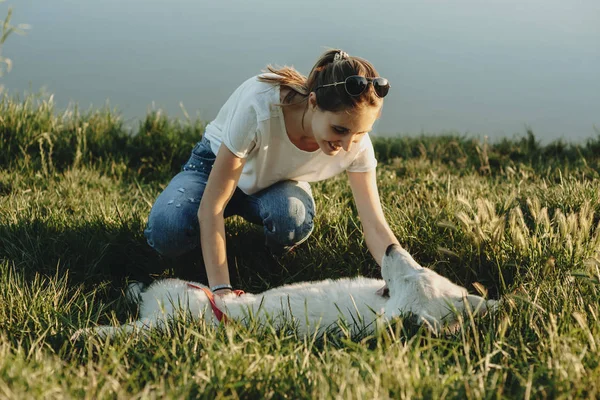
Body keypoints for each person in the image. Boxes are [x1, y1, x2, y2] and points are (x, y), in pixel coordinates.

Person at [144, 49, 408, 297]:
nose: (349, 145)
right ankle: (202, 250)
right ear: (314, 102)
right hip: (211, 169)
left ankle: (260, 250)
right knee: (167, 231)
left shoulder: (356, 143)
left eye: (361, 133)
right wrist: (222, 291)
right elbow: (211, 206)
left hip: (272, 182)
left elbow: (374, 223)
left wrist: (405, 277)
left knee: (291, 217)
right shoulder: (259, 105)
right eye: (339, 130)